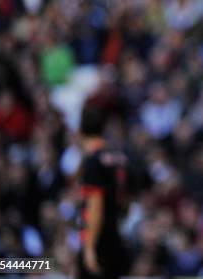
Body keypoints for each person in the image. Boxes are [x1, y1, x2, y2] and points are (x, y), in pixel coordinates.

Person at [77, 105, 130, 279]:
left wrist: (90, 247)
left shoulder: (93, 161)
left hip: (100, 240)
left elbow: (95, 205)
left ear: (80, 132)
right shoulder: (120, 157)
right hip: (117, 235)